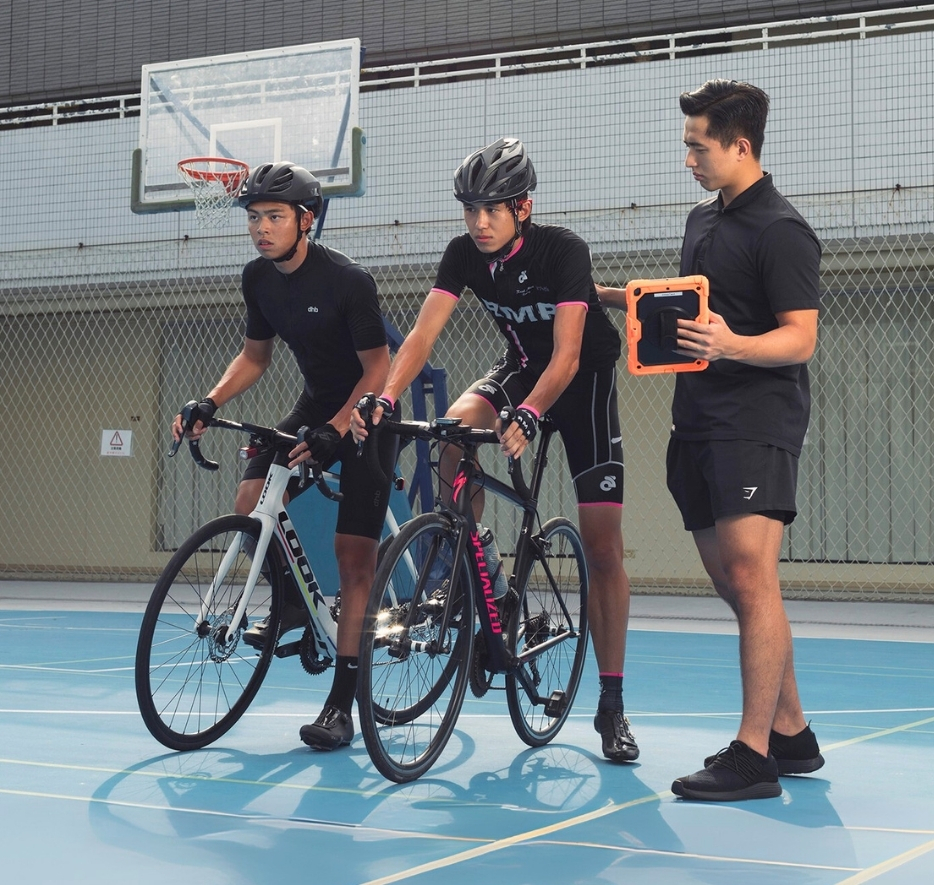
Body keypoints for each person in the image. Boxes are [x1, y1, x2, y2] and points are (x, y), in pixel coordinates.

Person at [351, 137, 640, 763]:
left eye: (492, 209)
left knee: (603, 546)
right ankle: (477, 568)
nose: (479, 223)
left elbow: (567, 355)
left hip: (581, 384)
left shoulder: (563, 250)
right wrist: (386, 397)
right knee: (451, 434)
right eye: (469, 210)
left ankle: (612, 704)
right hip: (520, 367)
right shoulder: (463, 254)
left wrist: (531, 413)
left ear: (523, 208)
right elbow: (423, 334)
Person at [599, 79, 824, 800]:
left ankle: (753, 755)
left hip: (754, 423)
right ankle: (791, 731)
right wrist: (600, 294)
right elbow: (686, 307)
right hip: (695, 419)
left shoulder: (782, 230)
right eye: (687, 145)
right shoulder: (704, 220)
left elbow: (800, 338)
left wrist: (733, 345)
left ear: (740, 146)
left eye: (698, 147)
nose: (688, 159)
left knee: (752, 578)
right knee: (735, 583)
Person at [171, 161, 398, 752]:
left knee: (353, 560)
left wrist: (338, 430)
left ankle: (341, 706)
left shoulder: (349, 281)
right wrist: (209, 401)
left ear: (306, 219)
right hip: (315, 404)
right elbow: (255, 356)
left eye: (273, 217)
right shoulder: (258, 279)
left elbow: (379, 369)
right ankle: (294, 604)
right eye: (253, 218)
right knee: (251, 500)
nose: (261, 228)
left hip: (368, 412)